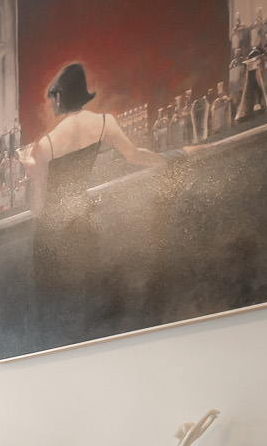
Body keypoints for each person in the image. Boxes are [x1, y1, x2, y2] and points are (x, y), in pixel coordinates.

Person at [16, 63, 166, 344]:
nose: (51, 104)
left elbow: (38, 208)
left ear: (59, 97)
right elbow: (134, 155)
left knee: (55, 316)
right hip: (83, 222)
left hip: (51, 234)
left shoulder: (45, 144)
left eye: (53, 98)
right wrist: (165, 160)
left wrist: (33, 171)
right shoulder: (105, 122)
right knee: (89, 310)